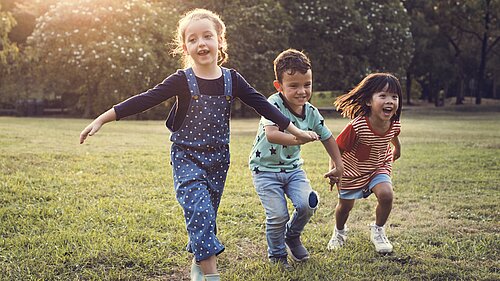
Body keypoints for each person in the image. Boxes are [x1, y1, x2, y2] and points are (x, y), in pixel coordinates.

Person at [79, 9, 317, 281]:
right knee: (200, 211)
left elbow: (264, 105)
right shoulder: (182, 80)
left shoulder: (232, 80)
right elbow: (144, 99)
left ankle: (198, 259)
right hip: (186, 158)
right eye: (193, 39)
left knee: (206, 216)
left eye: (207, 36)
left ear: (220, 41)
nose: (201, 43)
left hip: (218, 160)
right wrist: (102, 118)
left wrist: (296, 130)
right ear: (185, 47)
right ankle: (211, 275)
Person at [249, 49, 344, 269]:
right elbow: (272, 134)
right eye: (293, 86)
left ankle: (292, 236)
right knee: (278, 215)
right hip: (265, 171)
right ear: (279, 86)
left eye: (307, 84)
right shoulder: (272, 104)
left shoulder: (310, 111)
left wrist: (338, 166)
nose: (302, 91)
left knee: (308, 204)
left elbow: (328, 137)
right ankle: (278, 255)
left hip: (293, 170)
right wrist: (299, 138)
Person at [325, 73, 402, 254]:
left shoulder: (393, 123)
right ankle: (339, 232)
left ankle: (378, 230)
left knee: (386, 195)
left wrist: (397, 149)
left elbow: (394, 134)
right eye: (382, 96)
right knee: (345, 207)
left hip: (378, 166)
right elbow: (337, 148)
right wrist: (334, 170)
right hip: (351, 170)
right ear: (369, 101)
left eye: (394, 96)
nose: (390, 101)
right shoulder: (357, 126)